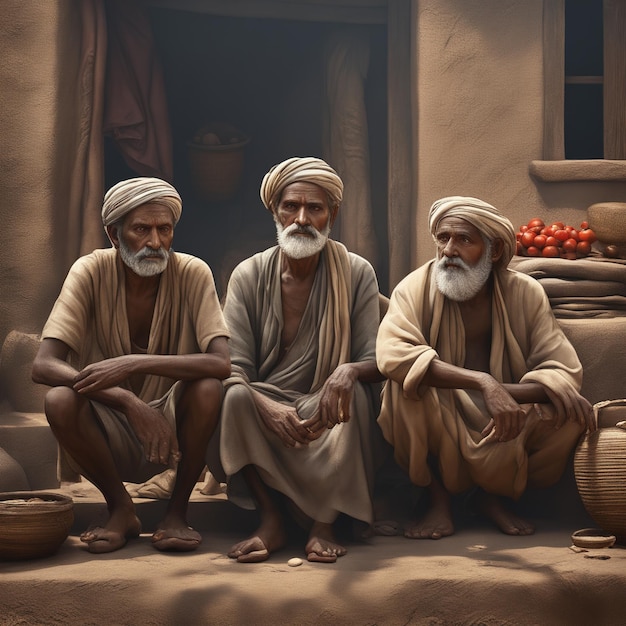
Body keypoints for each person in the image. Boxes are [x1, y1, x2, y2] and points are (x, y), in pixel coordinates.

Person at [376, 196, 595, 539]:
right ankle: (439, 502)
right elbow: (393, 354)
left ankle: (489, 499)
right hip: (442, 407)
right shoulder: (414, 288)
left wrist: (504, 393)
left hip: (506, 412)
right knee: (401, 391)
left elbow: (562, 369)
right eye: (443, 238)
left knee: (568, 410)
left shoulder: (526, 293)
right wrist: (483, 383)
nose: (448, 250)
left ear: (493, 251)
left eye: (463, 240)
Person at [32, 177, 230, 554]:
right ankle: (120, 509)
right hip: (106, 421)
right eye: (142, 229)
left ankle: (177, 513)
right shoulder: (89, 271)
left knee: (209, 390)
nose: (155, 242)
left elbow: (221, 363)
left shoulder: (193, 272)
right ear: (113, 233)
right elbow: (43, 365)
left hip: (172, 427)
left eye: (164, 229)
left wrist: (133, 363)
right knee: (58, 400)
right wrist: (126, 400)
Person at [214, 156, 384, 563]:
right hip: (267, 407)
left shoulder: (357, 272)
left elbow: (377, 358)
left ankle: (323, 524)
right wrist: (265, 405)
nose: (302, 218)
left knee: (355, 395)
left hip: (326, 407)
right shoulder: (248, 275)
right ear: (275, 210)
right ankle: (270, 518)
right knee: (233, 397)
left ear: (333, 215)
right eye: (291, 206)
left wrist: (348, 370)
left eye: (315, 208)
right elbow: (231, 368)